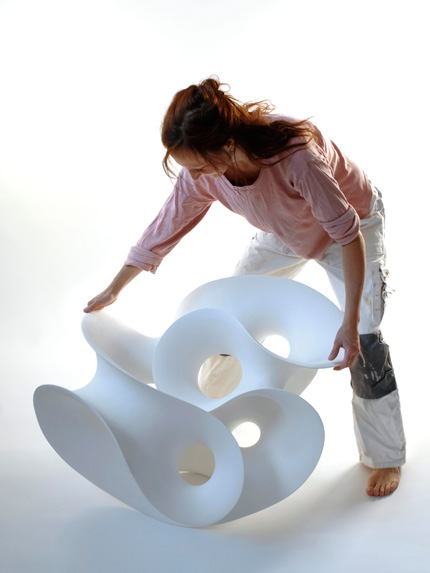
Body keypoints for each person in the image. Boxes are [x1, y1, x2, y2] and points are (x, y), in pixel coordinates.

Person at [84, 77, 406, 497]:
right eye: (188, 169)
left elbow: (349, 237)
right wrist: (116, 286)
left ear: (228, 144)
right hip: (285, 231)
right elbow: (168, 223)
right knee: (229, 317)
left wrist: (348, 322)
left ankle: (385, 456)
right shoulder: (203, 175)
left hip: (351, 228)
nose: (194, 177)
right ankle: (205, 424)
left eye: (199, 166)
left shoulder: (296, 157)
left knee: (364, 338)